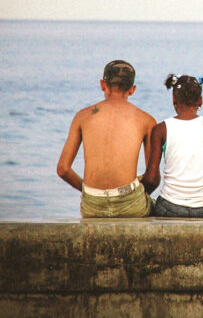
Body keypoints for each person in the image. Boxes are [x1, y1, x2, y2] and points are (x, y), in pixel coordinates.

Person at [56, 60, 157, 218]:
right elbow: (153, 177)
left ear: (103, 84)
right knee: (155, 207)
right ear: (133, 89)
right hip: (129, 202)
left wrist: (88, 190)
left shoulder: (82, 116)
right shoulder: (146, 120)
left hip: (93, 204)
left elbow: (63, 169)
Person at [142, 74, 203, 218]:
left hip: (169, 206)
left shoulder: (161, 129)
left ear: (174, 99)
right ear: (200, 101)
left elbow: (151, 177)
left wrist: (139, 194)